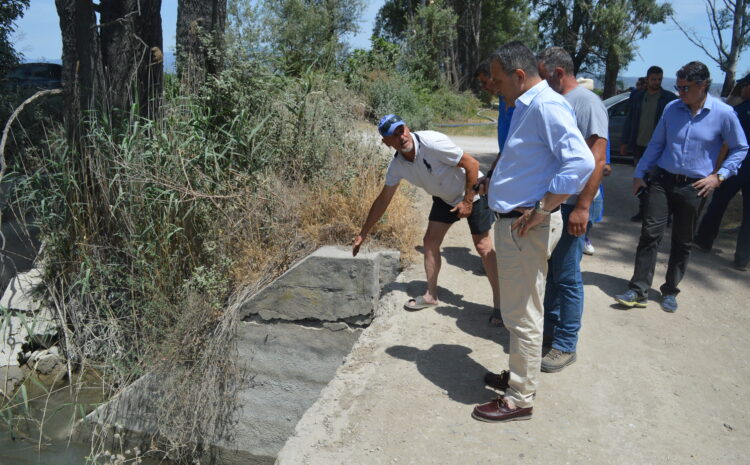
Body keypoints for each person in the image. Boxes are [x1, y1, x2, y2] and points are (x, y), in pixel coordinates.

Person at [472, 41, 594, 423]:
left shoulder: (546, 106)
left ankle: (520, 399)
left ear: (519, 76)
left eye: (497, 80)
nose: (495, 87)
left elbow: (581, 162)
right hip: (513, 223)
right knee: (517, 310)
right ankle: (519, 377)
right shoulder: (526, 106)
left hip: (526, 227)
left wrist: (543, 208)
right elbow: (530, 160)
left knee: (523, 313)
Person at [614, 62, 748, 313]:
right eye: (678, 86)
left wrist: (718, 177)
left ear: (703, 85)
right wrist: (640, 173)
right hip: (663, 181)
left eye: (686, 87)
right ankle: (638, 289)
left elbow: (740, 148)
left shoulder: (724, 113)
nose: (680, 92)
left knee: (682, 241)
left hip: (695, 187)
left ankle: (670, 290)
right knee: (649, 233)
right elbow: (656, 143)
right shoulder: (671, 109)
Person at [352, 114, 501, 316]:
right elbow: (383, 200)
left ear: (407, 127)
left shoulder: (431, 142)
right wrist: (363, 233)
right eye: (393, 135)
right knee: (430, 242)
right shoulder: (397, 166)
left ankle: (500, 306)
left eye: (401, 130)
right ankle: (431, 296)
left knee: (483, 247)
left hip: (472, 191)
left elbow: (472, 164)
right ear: (386, 143)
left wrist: (467, 200)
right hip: (443, 198)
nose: (401, 136)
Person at [535, 46, 608, 373]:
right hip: (555, 203)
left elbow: (597, 159)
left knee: (566, 276)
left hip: (574, 206)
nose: (540, 79)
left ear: (558, 72)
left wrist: (582, 206)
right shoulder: (558, 101)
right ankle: (549, 332)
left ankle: (565, 344)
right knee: (551, 273)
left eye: (543, 73)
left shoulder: (588, 103)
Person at [694, 73, 750, 271]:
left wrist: (717, 170)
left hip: (735, 168)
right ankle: (743, 258)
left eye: (744, 86)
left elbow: (727, 144)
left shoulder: (739, 111)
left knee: (718, 204)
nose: (742, 90)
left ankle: (704, 240)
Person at [475, 60, 516, 326]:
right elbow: (506, 146)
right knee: (507, 249)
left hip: (521, 187)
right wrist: (491, 174)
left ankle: (511, 312)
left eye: (486, 81)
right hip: (505, 173)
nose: (486, 87)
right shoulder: (504, 101)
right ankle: (505, 308)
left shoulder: (520, 101)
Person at [620, 66, 678, 221]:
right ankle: (643, 210)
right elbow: (630, 119)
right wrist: (624, 142)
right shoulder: (637, 96)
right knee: (641, 179)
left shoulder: (669, 99)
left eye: (659, 79)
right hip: (639, 145)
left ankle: (664, 213)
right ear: (647, 79)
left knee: (657, 181)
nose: (657, 82)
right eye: (654, 79)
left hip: (659, 147)